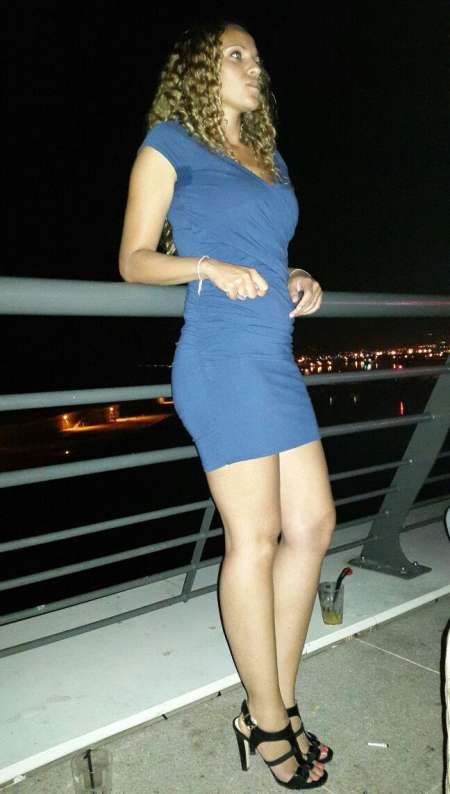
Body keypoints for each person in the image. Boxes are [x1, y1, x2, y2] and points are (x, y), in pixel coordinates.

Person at [119, 17, 336, 790]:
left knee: (314, 525)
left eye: (255, 55)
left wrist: (297, 275)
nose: (252, 65)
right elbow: (133, 260)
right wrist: (204, 265)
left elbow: (268, 247)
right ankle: (269, 721)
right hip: (219, 358)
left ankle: (274, 700)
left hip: (272, 355)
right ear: (198, 71)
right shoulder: (170, 144)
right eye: (234, 54)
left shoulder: (269, 157)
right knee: (257, 537)